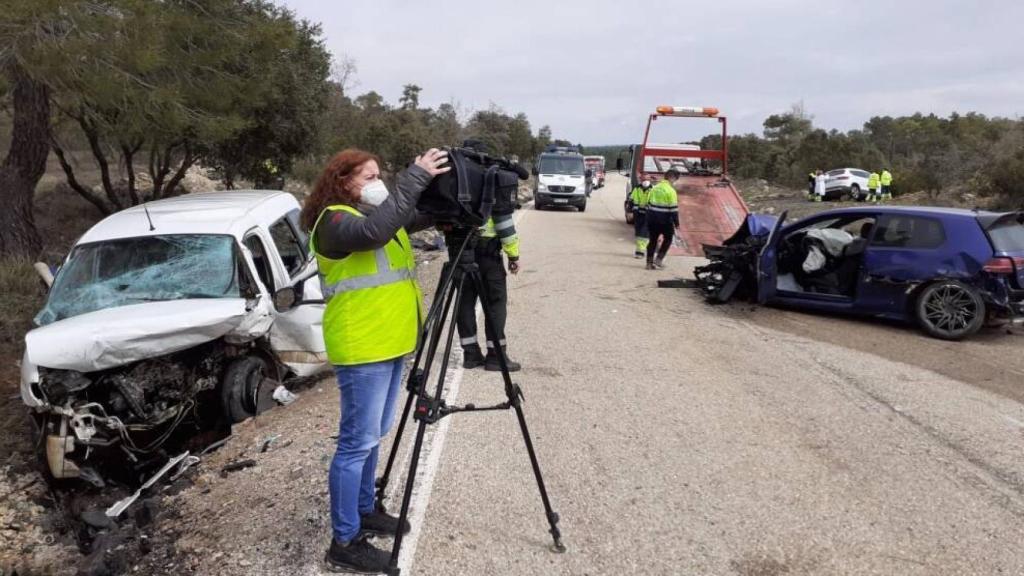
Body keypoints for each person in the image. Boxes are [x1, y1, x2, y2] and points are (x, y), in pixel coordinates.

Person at [301, 147, 450, 574]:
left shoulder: (381, 215)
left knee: (373, 435)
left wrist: (446, 195)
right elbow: (376, 232)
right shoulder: (333, 222)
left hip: (390, 343)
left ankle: (365, 508)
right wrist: (414, 176)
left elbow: (413, 216)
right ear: (342, 181)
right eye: (368, 177)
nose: (377, 183)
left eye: (379, 175)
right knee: (355, 443)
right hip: (362, 345)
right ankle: (344, 540)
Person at [645, 169, 681, 270]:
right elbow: (674, 209)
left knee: (652, 241)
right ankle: (659, 259)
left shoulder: (654, 188)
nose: (675, 181)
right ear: (672, 178)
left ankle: (649, 263)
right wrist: (677, 223)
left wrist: (648, 219)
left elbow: (648, 205)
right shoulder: (671, 191)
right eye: (675, 179)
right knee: (668, 239)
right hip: (665, 221)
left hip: (652, 220)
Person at [629, 178, 653, 258]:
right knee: (638, 232)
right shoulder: (636, 189)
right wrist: (630, 211)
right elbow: (631, 201)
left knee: (644, 233)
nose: (645, 181)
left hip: (648, 215)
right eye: (644, 179)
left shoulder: (653, 190)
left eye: (647, 179)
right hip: (638, 214)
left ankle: (640, 251)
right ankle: (640, 250)